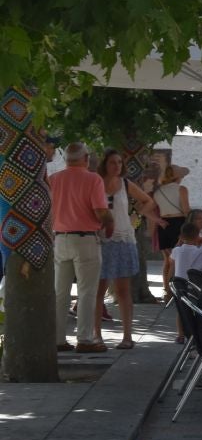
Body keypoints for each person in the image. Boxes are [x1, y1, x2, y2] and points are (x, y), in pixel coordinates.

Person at [51, 142, 111, 352]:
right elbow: (100, 211)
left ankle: (57, 339)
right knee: (87, 291)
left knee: (60, 292)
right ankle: (84, 339)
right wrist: (109, 223)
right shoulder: (93, 179)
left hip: (60, 238)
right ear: (85, 158)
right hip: (86, 238)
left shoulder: (54, 179)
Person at [97, 150, 158, 346]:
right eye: (113, 162)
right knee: (98, 290)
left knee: (124, 290)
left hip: (123, 239)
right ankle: (96, 336)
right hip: (100, 241)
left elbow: (148, 201)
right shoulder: (96, 183)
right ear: (105, 164)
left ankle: (127, 337)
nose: (117, 166)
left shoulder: (125, 184)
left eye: (120, 163)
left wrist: (137, 216)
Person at [154, 166, 191, 289]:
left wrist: (158, 220)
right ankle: (171, 292)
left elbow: (144, 209)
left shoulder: (158, 191)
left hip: (163, 225)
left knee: (167, 260)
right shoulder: (181, 189)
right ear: (178, 176)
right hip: (178, 223)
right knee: (174, 260)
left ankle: (166, 289)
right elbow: (186, 211)